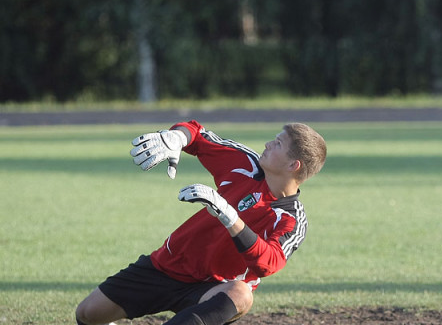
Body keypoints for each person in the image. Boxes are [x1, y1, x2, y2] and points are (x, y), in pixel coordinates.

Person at [75, 120, 327, 325]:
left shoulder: (291, 218)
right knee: (86, 315)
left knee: (242, 294)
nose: (267, 144)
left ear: (294, 165)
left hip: (213, 288)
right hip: (168, 265)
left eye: (277, 143)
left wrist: (229, 216)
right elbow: (196, 133)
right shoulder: (246, 165)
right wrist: (177, 138)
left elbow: (268, 263)